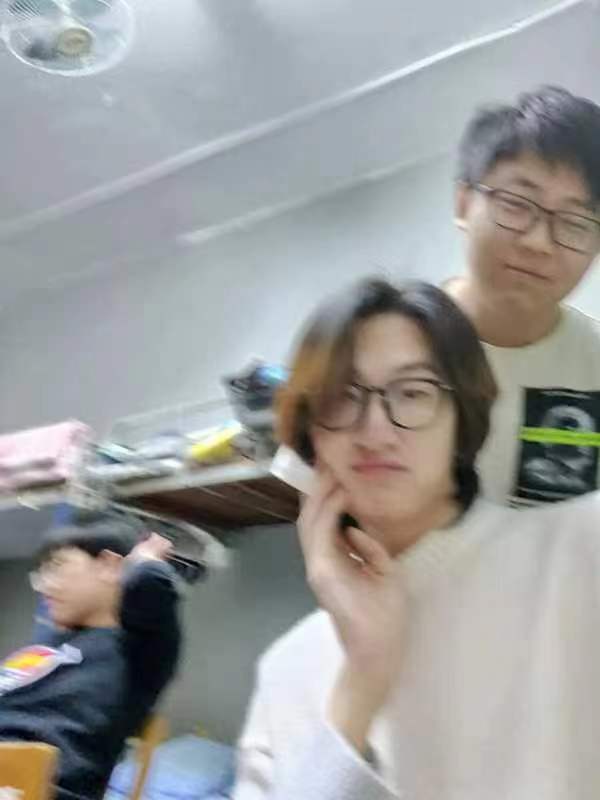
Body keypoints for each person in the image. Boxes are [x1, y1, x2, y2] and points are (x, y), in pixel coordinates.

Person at [233, 278, 600, 800]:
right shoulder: (287, 668)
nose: (375, 431)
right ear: (311, 436)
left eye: (413, 392)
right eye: (340, 398)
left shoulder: (581, 550)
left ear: (463, 417)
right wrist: (362, 679)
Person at [447, 85, 600, 506]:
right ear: (463, 204)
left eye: (575, 223)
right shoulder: (382, 343)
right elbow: (323, 499)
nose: (539, 243)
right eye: (517, 204)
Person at [0, 519, 182, 800]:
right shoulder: (48, 646)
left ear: (108, 565)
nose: (44, 585)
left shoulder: (136, 649)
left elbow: (152, 586)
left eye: (57, 566)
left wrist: (144, 560)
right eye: (42, 573)